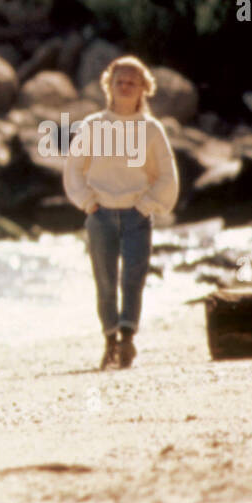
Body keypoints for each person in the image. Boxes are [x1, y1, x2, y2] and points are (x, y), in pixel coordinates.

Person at [63, 54, 180, 370]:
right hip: (100, 215)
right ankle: (110, 341)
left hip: (136, 216)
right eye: (120, 81)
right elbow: (74, 169)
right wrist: (87, 202)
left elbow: (168, 175)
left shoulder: (151, 130)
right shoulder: (92, 126)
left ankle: (128, 339)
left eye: (132, 82)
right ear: (109, 86)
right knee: (104, 280)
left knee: (133, 278)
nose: (126, 86)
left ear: (144, 88)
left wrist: (146, 205)